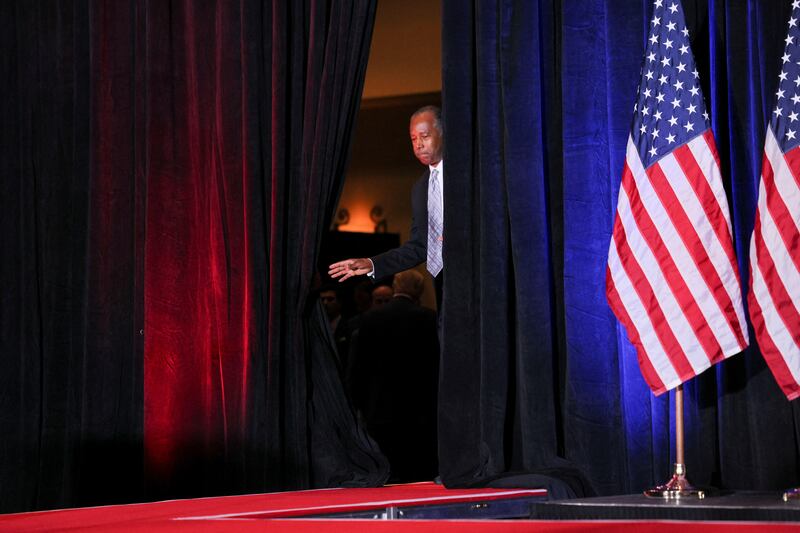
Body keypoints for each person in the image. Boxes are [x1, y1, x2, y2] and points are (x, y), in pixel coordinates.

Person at [328, 105, 445, 308]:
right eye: (413, 139)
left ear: (444, 133)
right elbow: (419, 247)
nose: (418, 145)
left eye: (424, 136)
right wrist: (371, 263)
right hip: (445, 294)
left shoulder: (470, 174)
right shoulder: (420, 188)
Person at [349, 269, 439, 482]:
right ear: (420, 290)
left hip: (380, 409)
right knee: (418, 474)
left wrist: (359, 404)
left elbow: (358, 367)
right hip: (421, 411)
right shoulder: (429, 318)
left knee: (386, 474)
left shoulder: (371, 318)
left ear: (396, 287)